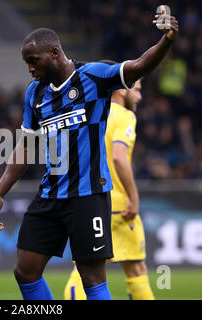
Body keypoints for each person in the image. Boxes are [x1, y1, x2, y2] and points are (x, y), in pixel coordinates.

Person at [0, 8, 178, 300]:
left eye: (33, 61)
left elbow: (139, 66)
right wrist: (0, 192)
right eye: (26, 63)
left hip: (88, 196)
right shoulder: (34, 95)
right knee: (25, 271)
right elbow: (25, 146)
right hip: (50, 196)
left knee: (91, 277)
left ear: (54, 53)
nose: (30, 69)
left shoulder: (95, 76)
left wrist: (166, 40)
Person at [64, 79, 155, 300]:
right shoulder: (125, 116)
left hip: (88, 202)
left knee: (84, 268)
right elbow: (118, 156)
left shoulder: (90, 114)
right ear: (123, 90)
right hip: (118, 206)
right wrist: (133, 197)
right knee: (136, 269)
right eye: (138, 90)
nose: (140, 97)